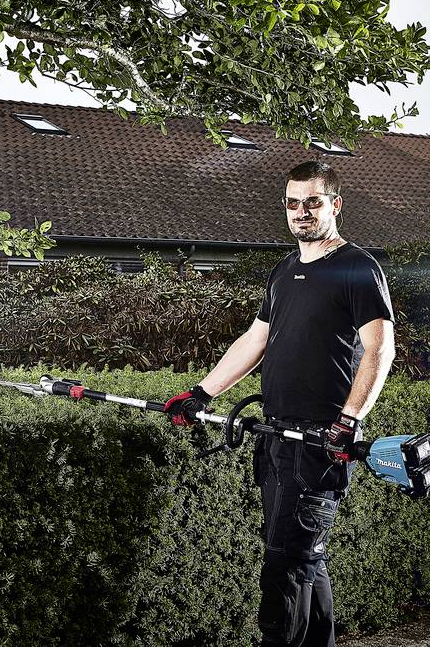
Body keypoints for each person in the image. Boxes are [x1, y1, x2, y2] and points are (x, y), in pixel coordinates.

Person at [164, 161, 395, 646]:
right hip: (275, 437)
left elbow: (379, 349)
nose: (301, 212)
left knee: (285, 567)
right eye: (293, 203)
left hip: (319, 441)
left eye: (313, 202)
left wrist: (349, 420)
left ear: (334, 205)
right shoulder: (284, 270)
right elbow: (256, 339)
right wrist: (202, 393)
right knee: (305, 558)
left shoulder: (357, 266)